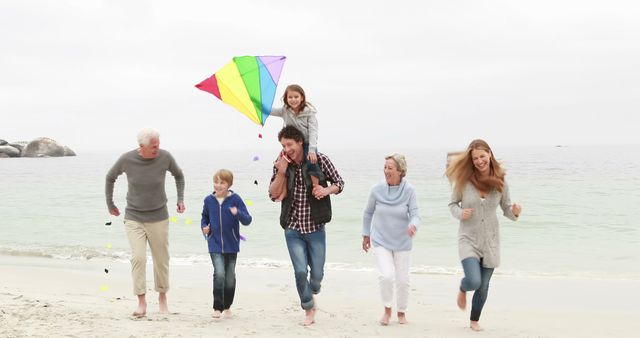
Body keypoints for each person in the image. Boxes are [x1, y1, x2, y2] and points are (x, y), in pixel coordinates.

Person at [105, 127, 185, 317]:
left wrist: (180, 199)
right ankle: (141, 302)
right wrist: (110, 204)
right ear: (142, 146)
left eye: (158, 144)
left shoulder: (165, 157)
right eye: (154, 146)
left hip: (159, 217)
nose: (158, 148)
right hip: (134, 217)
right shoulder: (127, 159)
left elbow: (179, 175)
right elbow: (110, 177)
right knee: (138, 258)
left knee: (161, 260)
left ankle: (162, 298)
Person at [268, 125, 344, 326]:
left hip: (315, 227)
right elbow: (273, 194)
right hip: (292, 228)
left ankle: (313, 289)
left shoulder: (319, 159)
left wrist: (325, 190)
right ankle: (309, 307)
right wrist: (282, 172)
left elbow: (340, 183)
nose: (286, 149)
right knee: (300, 271)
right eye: (283, 145)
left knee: (317, 276)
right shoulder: (281, 164)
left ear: (300, 142)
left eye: (289, 144)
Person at [445, 139, 522, 332]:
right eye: (475, 158)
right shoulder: (463, 181)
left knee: (483, 286)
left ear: (489, 153)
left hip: (491, 241)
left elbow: (506, 209)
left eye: (482, 156)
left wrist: (516, 212)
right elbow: (452, 204)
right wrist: (460, 213)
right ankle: (463, 288)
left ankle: (474, 320)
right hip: (468, 238)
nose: (479, 161)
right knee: (474, 280)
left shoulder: (501, 182)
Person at [362, 154, 420, 326]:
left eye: (390, 168)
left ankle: (401, 313)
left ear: (400, 171)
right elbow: (368, 213)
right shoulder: (376, 190)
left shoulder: (409, 190)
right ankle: (387, 311)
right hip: (381, 240)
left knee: (402, 281)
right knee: (386, 276)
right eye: (385, 167)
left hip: (402, 241)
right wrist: (366, 234)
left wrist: (413, 225)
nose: (386, 171)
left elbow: (416, 215)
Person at [200, 169, 252, 319]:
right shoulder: (208, 200)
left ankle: (227, 306)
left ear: (229, 184)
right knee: (219, 273)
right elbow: (204, 217)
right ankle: (217, 307)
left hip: (232, 245)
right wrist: (204, 228)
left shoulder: (236, 199)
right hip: (214, 243)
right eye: (216, 182)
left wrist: (238, 213)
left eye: (222, 182)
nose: (218, 185)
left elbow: (248, 220)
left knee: (229, 277)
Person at [270, 84, 321, 187]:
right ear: (286, 99)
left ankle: (316, 185)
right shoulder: (285, 111)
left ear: (302, 97)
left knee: (311, 161)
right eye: (290, 97)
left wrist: (312, 150)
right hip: (292, 144)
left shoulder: (309, 113)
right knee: (280, 163)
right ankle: (282, 188)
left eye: (296, 97)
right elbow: (271, 111)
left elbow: (313, 132)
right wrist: (257, 103)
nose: (293, 99)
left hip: (306, 142)